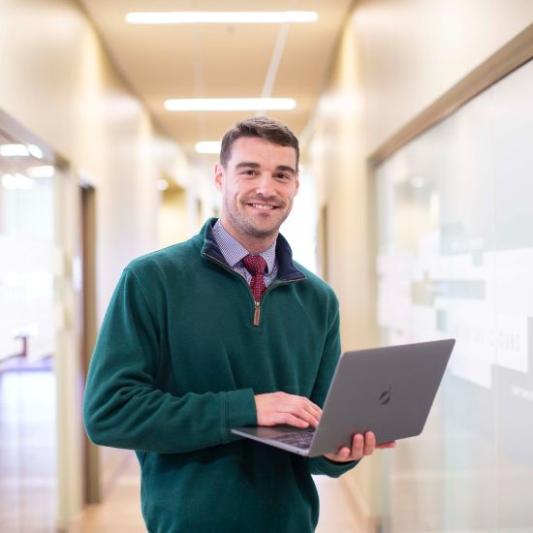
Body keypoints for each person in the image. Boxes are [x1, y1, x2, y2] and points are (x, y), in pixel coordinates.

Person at [83, 116, 395, 533]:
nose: (266, 188)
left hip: (291, 523)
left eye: (281, 175)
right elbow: (109, 412)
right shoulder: (152, 280)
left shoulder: (318, 300)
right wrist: (247, 408)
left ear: (296, 185)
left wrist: (340, 451)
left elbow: (316, 436)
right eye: (250, 171)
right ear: (219, 176)